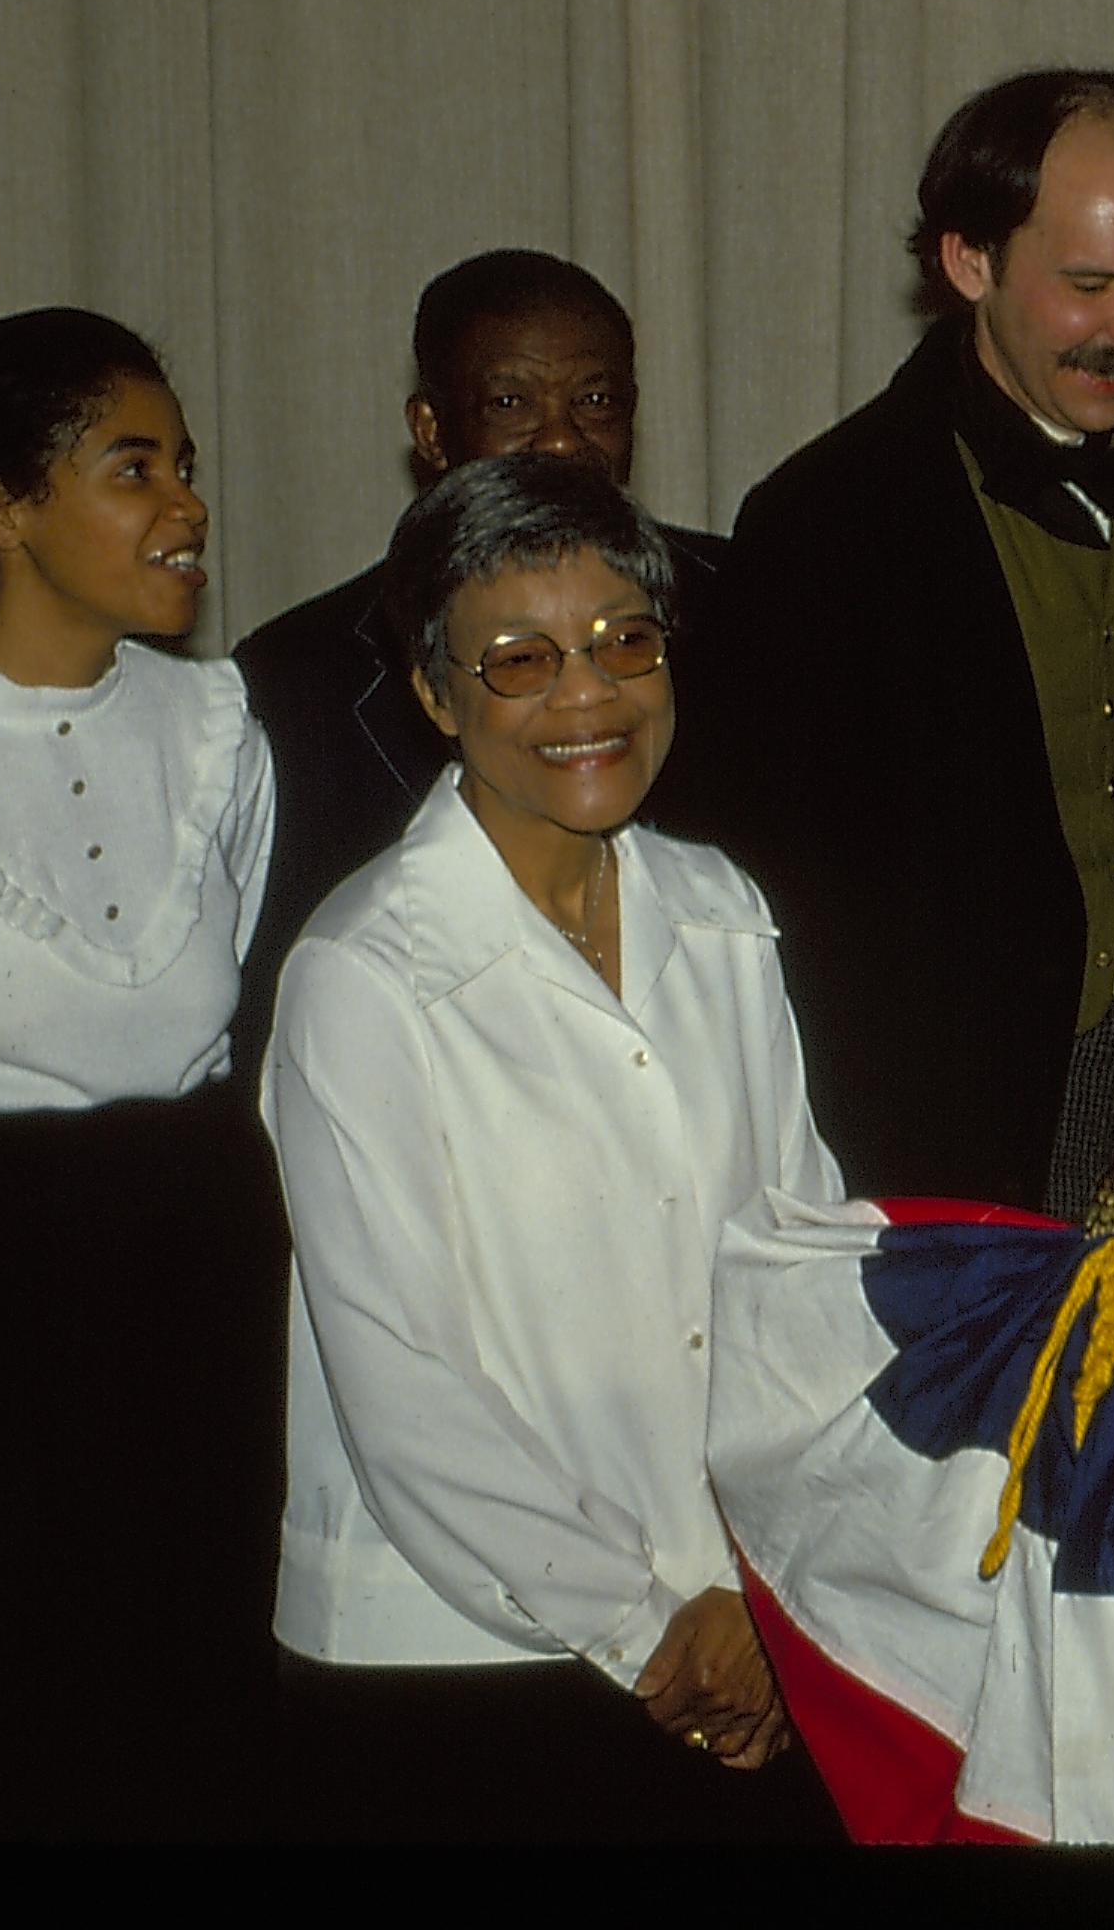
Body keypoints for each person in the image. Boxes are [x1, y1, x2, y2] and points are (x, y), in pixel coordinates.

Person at [261, 451, 837, 1838]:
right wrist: (657, 1624)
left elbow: (809, 1257)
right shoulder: (364, 972)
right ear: (434, 694)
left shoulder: (719, 909)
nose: (589, 697)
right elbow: (409, 1394)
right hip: (464, 1667)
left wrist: (775, 1586)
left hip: (736, 1631)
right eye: (518, 661)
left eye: (623, 642)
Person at [0, 308, 283, 1836]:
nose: (184, 507)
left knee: (192, 1733)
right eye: (133, 468)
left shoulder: (222, 725)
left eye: (184, 466)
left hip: (195, 1297)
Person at [700, 72, 1114, 1214]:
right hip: (933, 1138)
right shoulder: (821, 522)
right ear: (968, 262)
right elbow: (776, 915)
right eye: (1091, 286)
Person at [230, 249, 728, 1082]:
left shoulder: (747, 606)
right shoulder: (305, 675)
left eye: (597, 400)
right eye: (510, 403)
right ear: (430, 431)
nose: (564, 438)